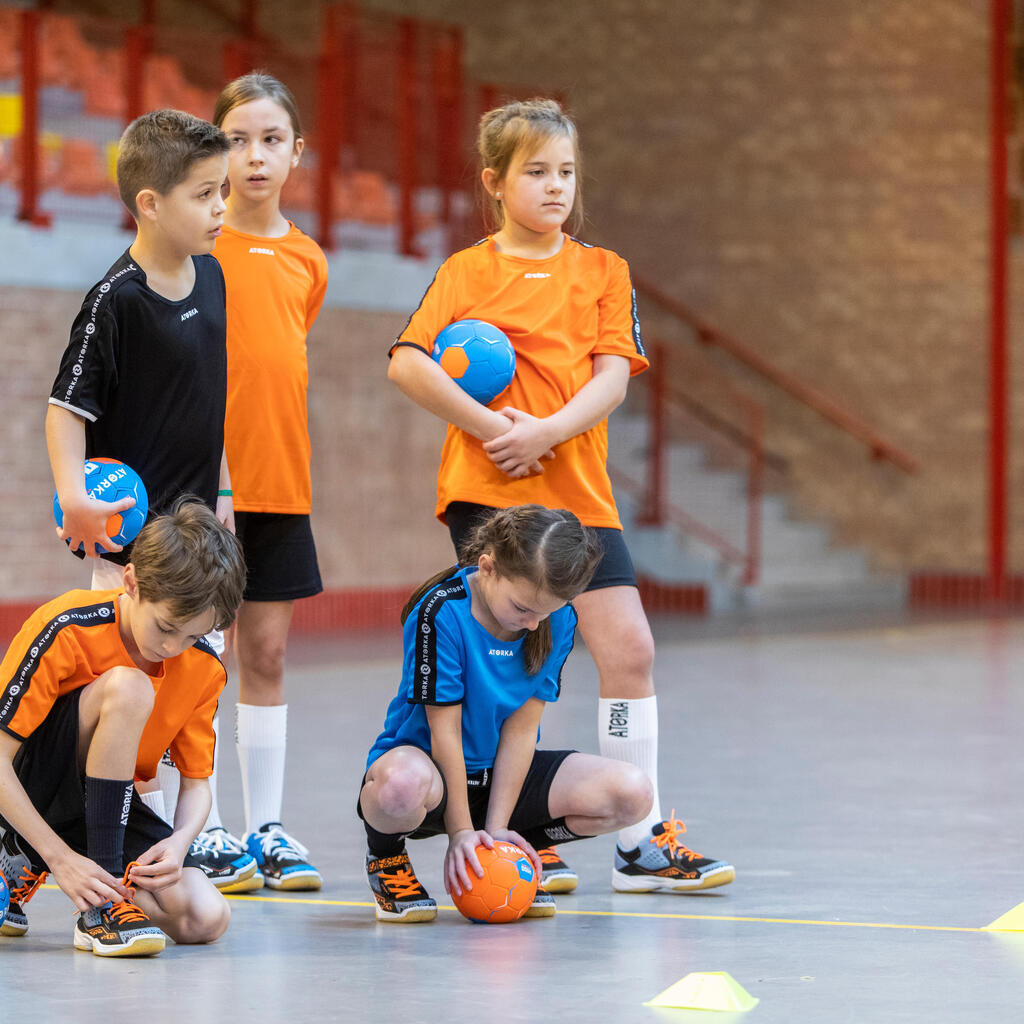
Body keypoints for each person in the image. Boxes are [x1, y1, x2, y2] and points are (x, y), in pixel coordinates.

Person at [387, 99, 734, 895]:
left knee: (631, 650)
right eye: (536, 172)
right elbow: (408, 362)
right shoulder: (466, 270)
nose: (555, 187)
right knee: (506, 667)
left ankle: (640, 844)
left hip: (579, 493)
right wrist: (489, 428)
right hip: (490, 496)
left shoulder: (603, 270)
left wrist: (544, 433)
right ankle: (507, 834)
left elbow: (613, 378)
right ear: (494, 182)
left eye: (567, 173)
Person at [162, 73, 327, 894]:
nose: (254, 157)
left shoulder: (307, 259)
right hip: (204, 494)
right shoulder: (199, 248)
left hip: (281, 489)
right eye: (237, 139)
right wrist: (214, 487)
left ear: (298, 152)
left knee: (265, 653)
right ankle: (208, 826)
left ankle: (265, 826)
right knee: (201, 661)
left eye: (271, 140)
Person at [358, 505, 653, 922]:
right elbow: (446, 733)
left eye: (545, 613)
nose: (534, 626)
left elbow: (521, 731)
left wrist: (496, 831)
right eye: (523, 608)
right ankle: (385, 859)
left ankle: (510, 846)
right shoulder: (441, 611)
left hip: (500, 778)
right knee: (400, 786)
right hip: (434, 777)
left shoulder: (559, 620)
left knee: (632, 793)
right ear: (488, 567)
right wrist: (460, 832)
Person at [0, 500, 246, 957]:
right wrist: (61, 859)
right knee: (131, 688)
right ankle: (94, 903)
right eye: (167, 627)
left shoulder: (203, 669)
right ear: (131, 582)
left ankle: (40, 863)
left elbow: (197, 784)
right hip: (29, 786)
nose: (174, 648)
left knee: (205, 915)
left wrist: (178, 843)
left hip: (104, 805)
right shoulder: (67, 625)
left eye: (193, 636)